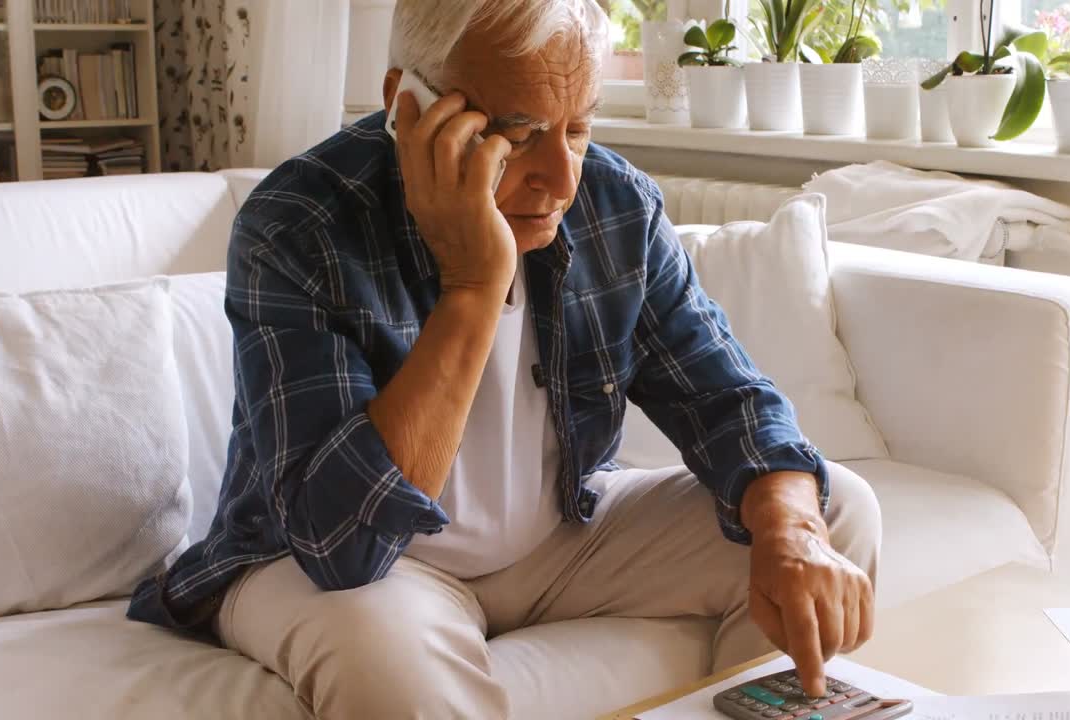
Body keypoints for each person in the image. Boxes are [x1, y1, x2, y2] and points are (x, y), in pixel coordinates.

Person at [127, 1, 883, 717]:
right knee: (384, 662)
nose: (560, 178)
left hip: (556, 535)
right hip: (329, 559)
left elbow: (730, 403)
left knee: (830, 509)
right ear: (406, 107)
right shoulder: (300, 222)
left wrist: (791, 531)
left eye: (578, 128)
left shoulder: (616, 204)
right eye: (517, 135)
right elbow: (343, 546)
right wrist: (472, 285)